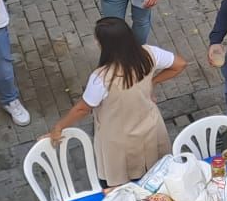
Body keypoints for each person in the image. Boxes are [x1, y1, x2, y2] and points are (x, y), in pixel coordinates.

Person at [47, 17, 191, 188]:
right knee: (157, 179)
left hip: (118, 141)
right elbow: (180, 64)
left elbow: (82, 109)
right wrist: (153, 81)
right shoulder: (149, 54)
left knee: (119, 187)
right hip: (151, 129)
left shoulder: (101, 78)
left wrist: (58, 127)